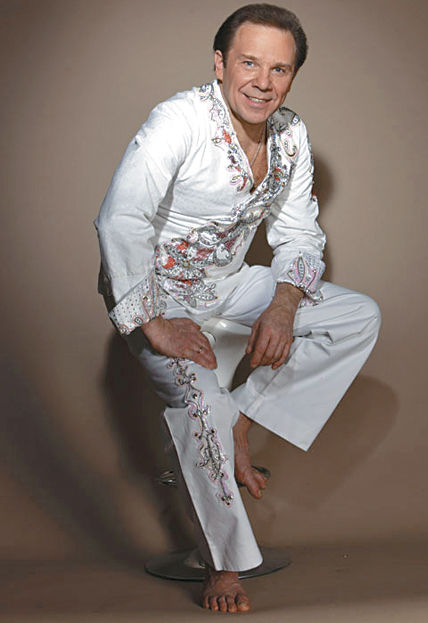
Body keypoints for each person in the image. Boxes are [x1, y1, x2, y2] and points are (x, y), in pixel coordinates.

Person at [94, 3, 380, 613]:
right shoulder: (178, 120)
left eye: (280, 69)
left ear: (293, 76)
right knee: (202, 404)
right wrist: (153, 322)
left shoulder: (291, 134)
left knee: (357, 317)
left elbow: (298, 233)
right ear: (220, 63)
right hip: (161, 294)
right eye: (250, 63)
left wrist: (282, 305)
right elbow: (120, 217)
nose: (263, 82)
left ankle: (244, 419)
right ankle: (223, 566)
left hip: (228, 284)